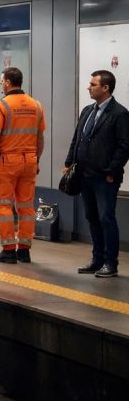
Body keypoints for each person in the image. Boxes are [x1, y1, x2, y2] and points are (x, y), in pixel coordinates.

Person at [64, 70, 129, 278]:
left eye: (93, 84)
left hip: (105, 178)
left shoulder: (119, 113)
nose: (89, 87)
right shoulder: (87, 111)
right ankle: (97, 259)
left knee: (106, 218)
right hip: (85, 175)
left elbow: (125, 146)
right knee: (92, 217)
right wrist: (69, 162)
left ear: (105, 87)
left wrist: (111, 170)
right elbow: (77, 138)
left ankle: (111, 263)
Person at [0, 67, 45, 264]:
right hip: (30, 161)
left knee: (3, 205)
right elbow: (40, 138)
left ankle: (8, 250)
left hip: (8, 162)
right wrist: (36, 160)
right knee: (26, 206)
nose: (1, 85)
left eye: (2, 82)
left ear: (8, 83)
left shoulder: (1, 105)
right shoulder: (36, 105)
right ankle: (24, 250)